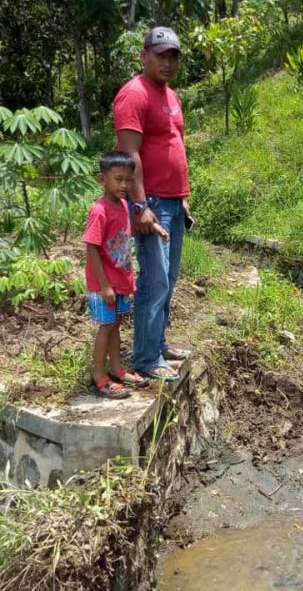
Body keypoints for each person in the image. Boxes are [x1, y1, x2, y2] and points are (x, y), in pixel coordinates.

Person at [113, 26, 193, 382]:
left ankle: (157, 343)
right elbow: (129, 155)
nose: (167, 62)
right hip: (152, 203)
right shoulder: (134, 94)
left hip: (173, 201)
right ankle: (145, 358)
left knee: (169, 278)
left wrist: (184, 198)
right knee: (154, 280)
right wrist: (140, 206)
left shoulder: (171, 95)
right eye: (161, 55)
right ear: (144, 55)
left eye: (173, 56)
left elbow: (175, 146)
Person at [83, 151, 168, 399]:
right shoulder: (99, 211)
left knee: (116, 323)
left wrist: (155, 226)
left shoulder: (122, 205)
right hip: (105, 284)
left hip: (120, 281)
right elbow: (92, 247)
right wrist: (104, 285)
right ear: (103, 179)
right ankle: (99, 376)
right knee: (106, 325)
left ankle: (117, 368)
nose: (124, 185)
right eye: (118, 179)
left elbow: (125, 230)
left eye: (128, 180)